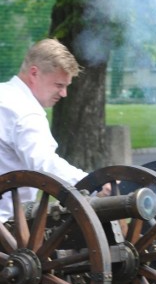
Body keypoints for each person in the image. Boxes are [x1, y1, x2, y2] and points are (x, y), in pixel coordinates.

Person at [0, 38, 98, 221]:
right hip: (7, 225)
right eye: (59, 85)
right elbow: (44, 165)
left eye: (66, 86)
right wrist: (93, 184)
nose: (63, 94)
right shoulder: (25, 113)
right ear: (34, 73)